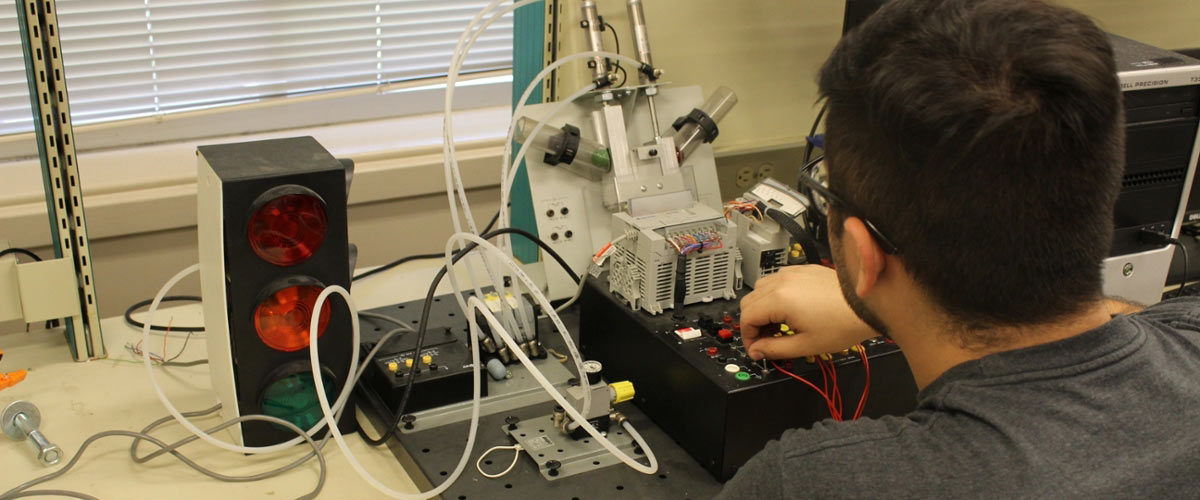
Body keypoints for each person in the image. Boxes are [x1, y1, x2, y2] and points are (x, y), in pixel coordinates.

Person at [716, 0, 1200, 498]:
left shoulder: (808, 483)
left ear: (865, 251)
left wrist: (888, 308)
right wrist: (881, 310)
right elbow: (1150, 321)